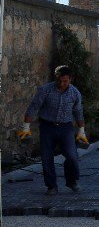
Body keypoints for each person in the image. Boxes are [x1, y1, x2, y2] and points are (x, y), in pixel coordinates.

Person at [17, 65, 89, 195]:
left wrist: (81, 130)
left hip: (66, 127)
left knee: (72, 156)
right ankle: (51, 186)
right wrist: (26, 127)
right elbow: (34, 107)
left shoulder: (75, 93)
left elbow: (78, 112)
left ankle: (72, 181)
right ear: (55, 78)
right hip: (47, 127)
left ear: (70, 79)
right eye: (59, 81)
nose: (62, 84)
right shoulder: (45, 90)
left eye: (65, 81)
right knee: (46, 157)